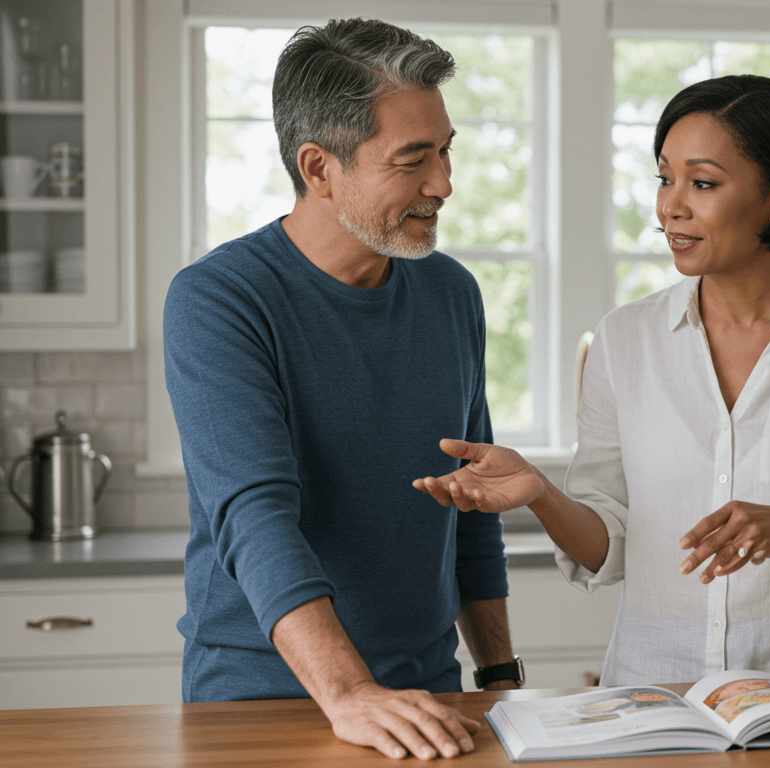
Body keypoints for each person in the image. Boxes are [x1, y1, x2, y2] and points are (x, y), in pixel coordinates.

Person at [415, 74, 770, 686]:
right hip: (651, 701)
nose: (672, 205)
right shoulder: (625, 340)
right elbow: (607, 547)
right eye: (665, 179)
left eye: (703, 183)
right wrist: (540, 491)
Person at [164, 19, 520, 761]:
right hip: (263, 704)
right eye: (413, 160)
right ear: (319, 168)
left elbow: (473, 501)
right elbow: (255, 517)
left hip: (430, 700)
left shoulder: (451, 293)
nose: (444, 185)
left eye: (447, 150)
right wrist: (350, 693)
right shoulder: (220, 300)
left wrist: (498, 678)